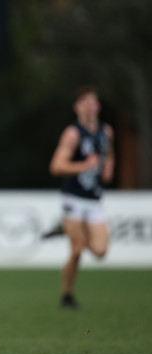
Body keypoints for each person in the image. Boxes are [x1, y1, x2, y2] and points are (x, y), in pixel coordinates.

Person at [49, 85, 114, 309]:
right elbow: (57, 166)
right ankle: (67, 296)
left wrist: (107, 168)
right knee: (76, 251)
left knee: (100, 251)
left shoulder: (106, 132)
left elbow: (109, 155)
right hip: (73, 198)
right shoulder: (73, 133)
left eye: (92, 102)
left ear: (98, 106)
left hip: (94, 199)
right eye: (84, 103)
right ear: (77, 107)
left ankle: (67, 228)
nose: (88, 107)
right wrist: (84, 166)